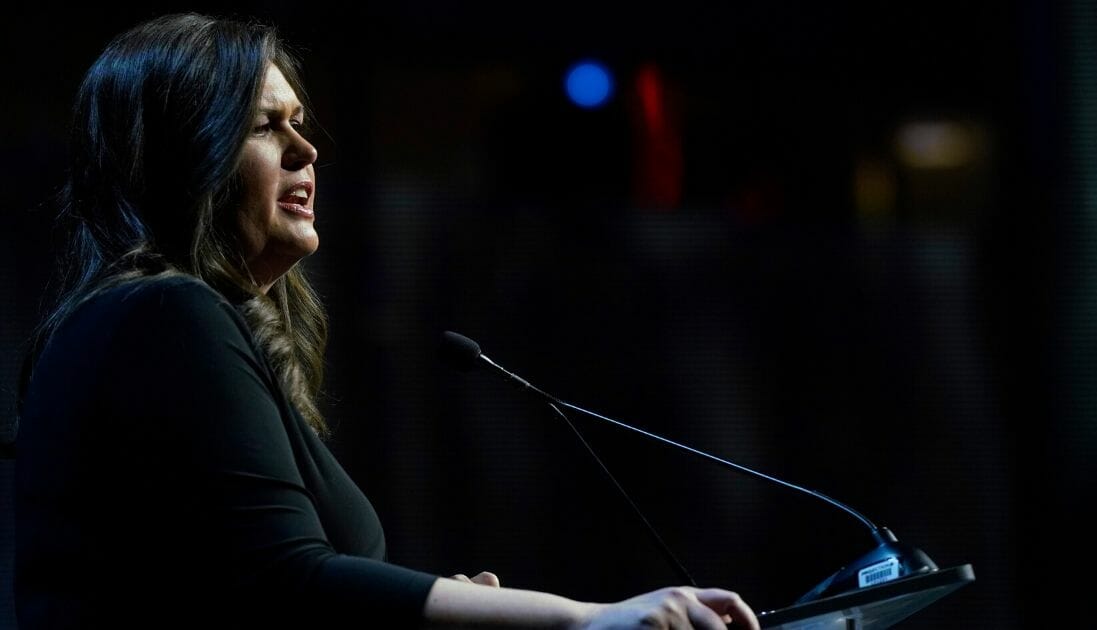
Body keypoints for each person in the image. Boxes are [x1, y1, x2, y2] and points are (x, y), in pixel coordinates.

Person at [13, 12, 761, 630]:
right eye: (265, 127)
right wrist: (586, 619)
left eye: (299, 123)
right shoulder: (166, 312)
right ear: (186, 159)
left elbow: (232, 591)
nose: (307, 151)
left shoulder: (145, 319)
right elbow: (286, 579)